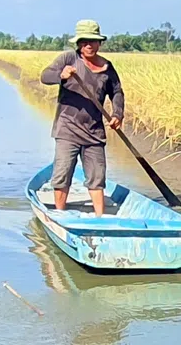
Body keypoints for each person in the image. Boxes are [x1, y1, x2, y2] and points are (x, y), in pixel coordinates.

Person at [40, 19, 125, 217]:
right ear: (78, 43)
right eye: (85, 41)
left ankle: (100, 219)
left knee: (97, 177)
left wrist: (117, 114)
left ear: (100, 43)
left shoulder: (107, 67)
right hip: (67, 129)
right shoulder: (69, 59)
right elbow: (45, 76)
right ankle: (60, 216)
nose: (89, 45)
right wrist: (62, 75)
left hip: (94, 132)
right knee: (62, 174)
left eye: (93, 41)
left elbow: (117, 92)